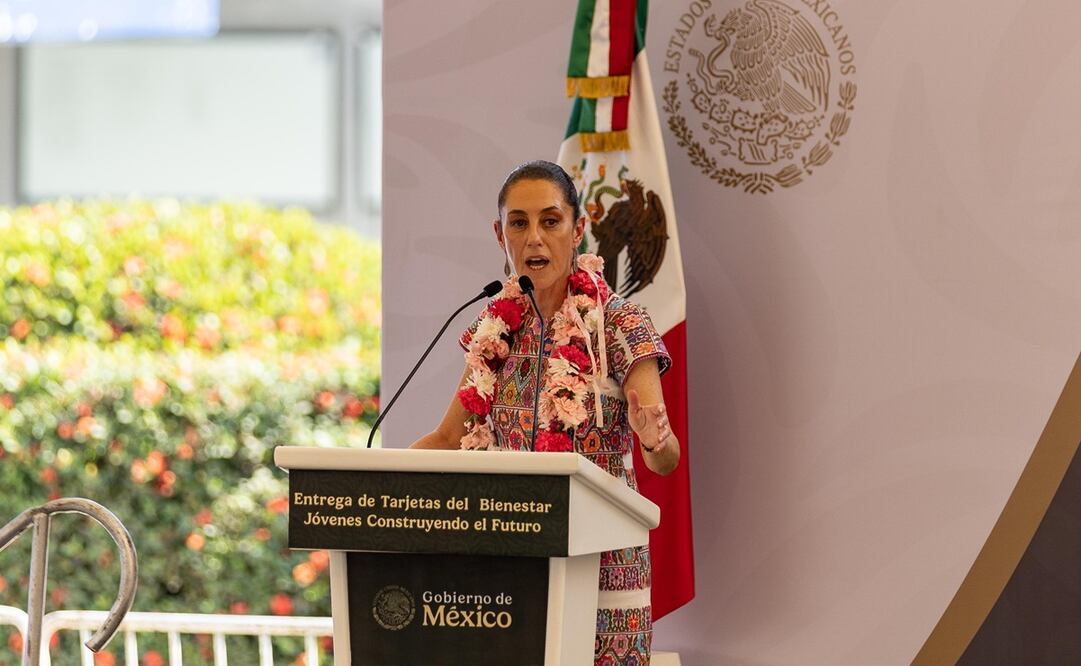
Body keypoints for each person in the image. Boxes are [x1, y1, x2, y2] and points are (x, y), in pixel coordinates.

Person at [411, 159, 680, 664]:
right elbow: (449, 438)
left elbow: (664, 460)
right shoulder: (495, 329)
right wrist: (377, 482)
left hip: (604, 572)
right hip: (515, 570)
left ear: (578, 228)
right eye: (519, 223)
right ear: (500, 235)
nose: (534, 238)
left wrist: (655, 438)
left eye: (550, 221)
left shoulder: (619, 324)